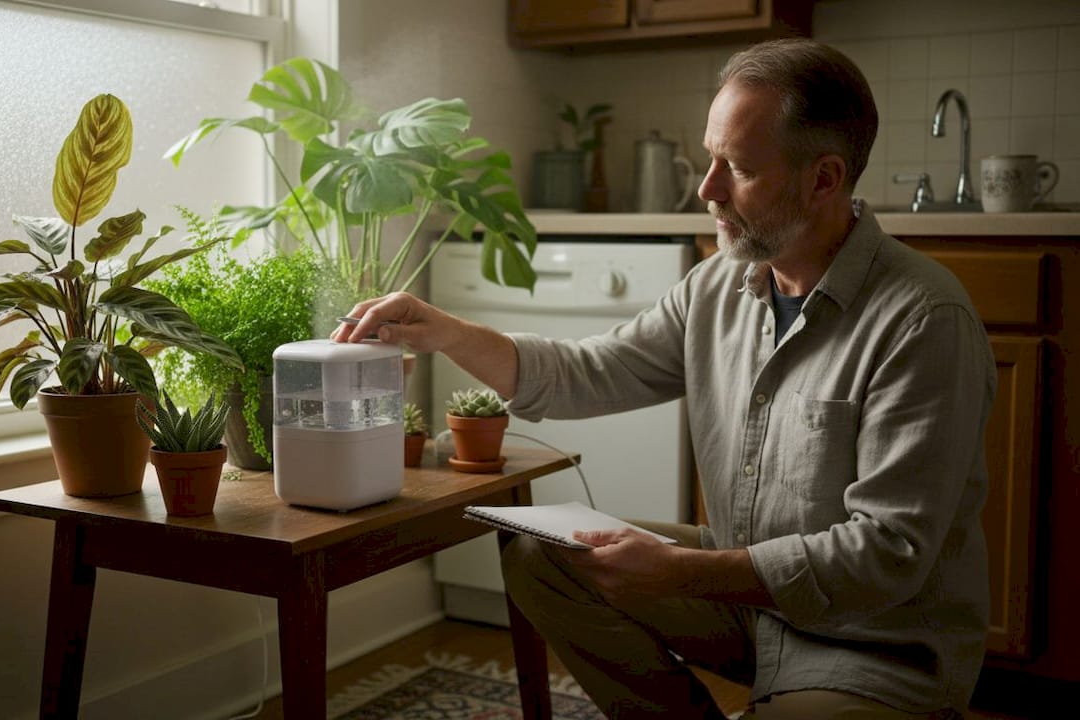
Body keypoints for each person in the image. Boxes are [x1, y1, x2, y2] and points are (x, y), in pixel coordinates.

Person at [333, 38, 995, 720]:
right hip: (745, 608)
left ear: (823, 179)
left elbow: (887, 554)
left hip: (874, 647)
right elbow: (587, 374)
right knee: (541, 556)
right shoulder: (716, 288)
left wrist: (680, 569)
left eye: (735, 168)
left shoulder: (923, 318)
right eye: (709, 158)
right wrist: (442, 330)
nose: (706, 190)